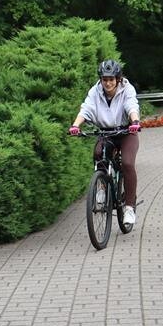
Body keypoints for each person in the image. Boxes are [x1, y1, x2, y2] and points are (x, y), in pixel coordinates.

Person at [67, 58, 142, 228]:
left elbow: (131, 105)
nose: (107, 83)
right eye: (104, 79)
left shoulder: (127, 89)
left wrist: (135, 122)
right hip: (106, 132)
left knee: (128, 164)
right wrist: (75, 125)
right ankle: (101, 188)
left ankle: (129, 207)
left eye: (111, 79)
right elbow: (86, 109)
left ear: (118, 79)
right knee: (98, 154)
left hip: (126, 132)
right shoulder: (95, 91)